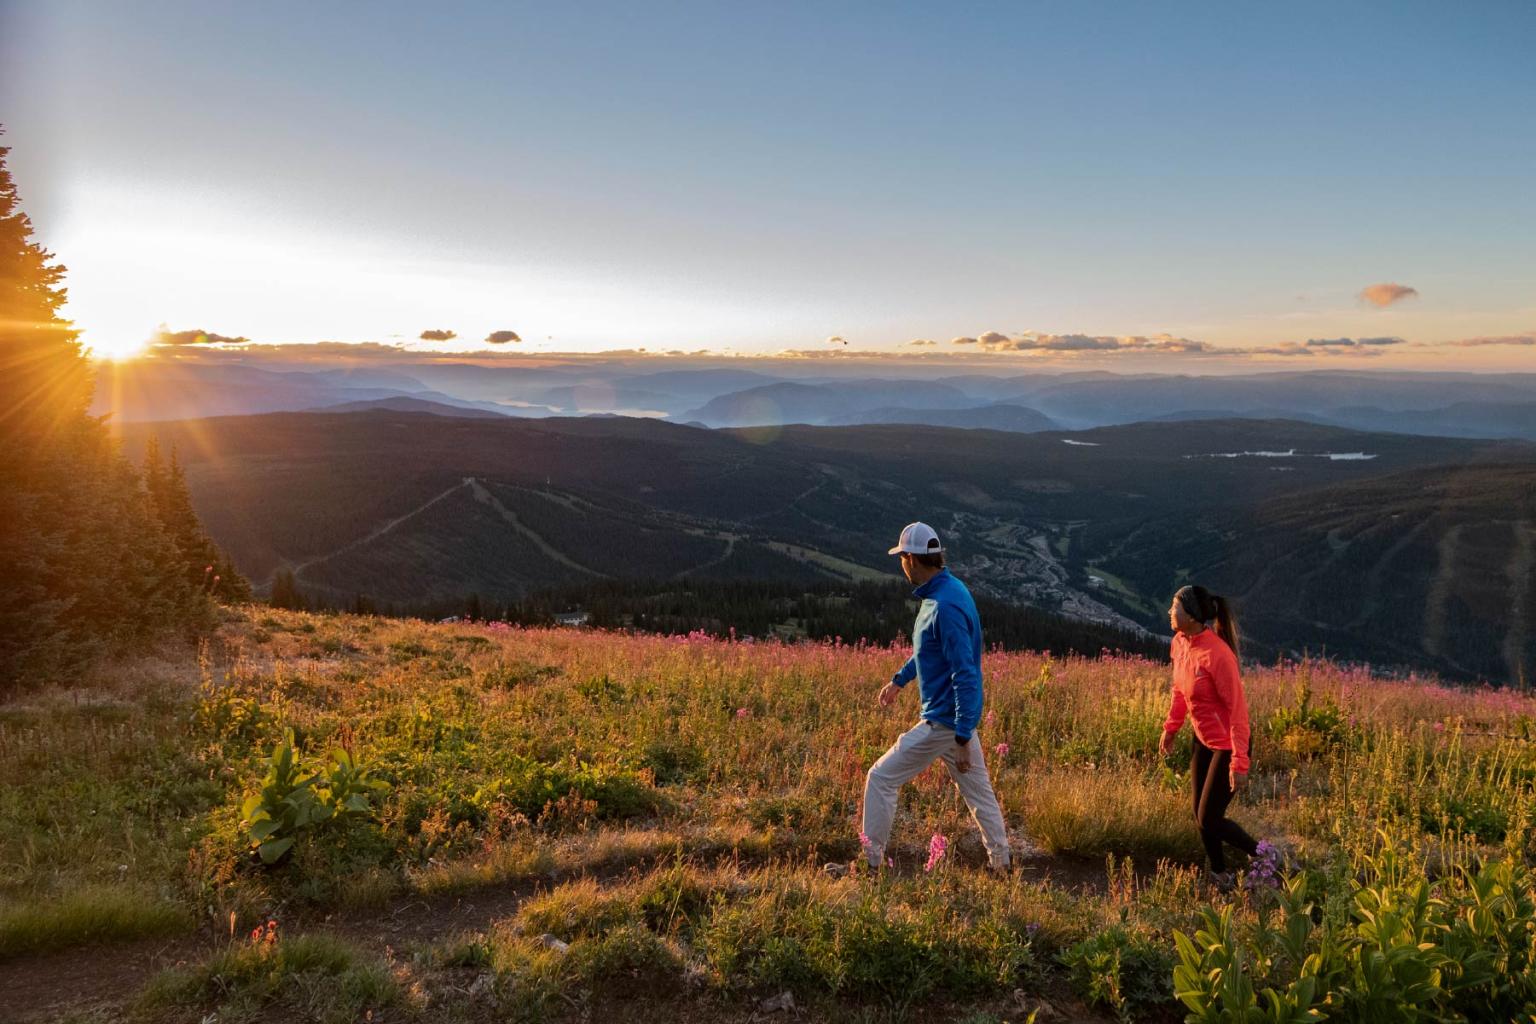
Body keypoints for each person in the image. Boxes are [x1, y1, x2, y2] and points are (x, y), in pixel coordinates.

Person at [860, 522, 1011, 871]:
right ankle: (1002, 863)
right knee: (979, 795)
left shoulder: (944, 606)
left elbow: (965, 673)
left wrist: (960, 735)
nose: (900, 565)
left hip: (943, 723)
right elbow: (929, 651)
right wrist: (900, 680)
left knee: (880, 778)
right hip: (954, 722)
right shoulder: (947, 592)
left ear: (912, 559)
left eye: (901, 558)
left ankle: (871, 863)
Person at [1159, 584, 1261, 884]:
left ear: (1191, 615)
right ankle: (1220, 874)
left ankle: (1265, 855)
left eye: (1174, 607)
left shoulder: (1218, 655)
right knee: (1200, 816)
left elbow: (1238, 712)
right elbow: (1180, 691)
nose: (1169, 612)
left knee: (1209, 818)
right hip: (1202, 740)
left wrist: (1239, 762)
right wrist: (1171, 729)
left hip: (1228, 745)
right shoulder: (1179, 643)